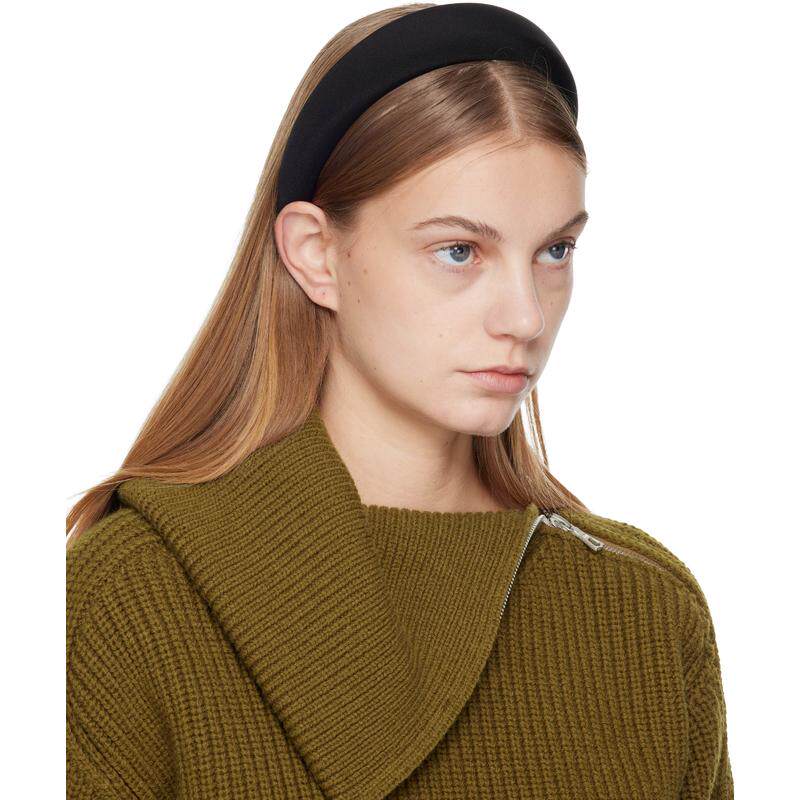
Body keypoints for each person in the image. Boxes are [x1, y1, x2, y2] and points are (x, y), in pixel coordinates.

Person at [66, 3, 734, 798]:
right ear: (316, 255)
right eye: (459, 250)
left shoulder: (646, 610)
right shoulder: (132, 593)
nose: (525, 316)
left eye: (555, 250)